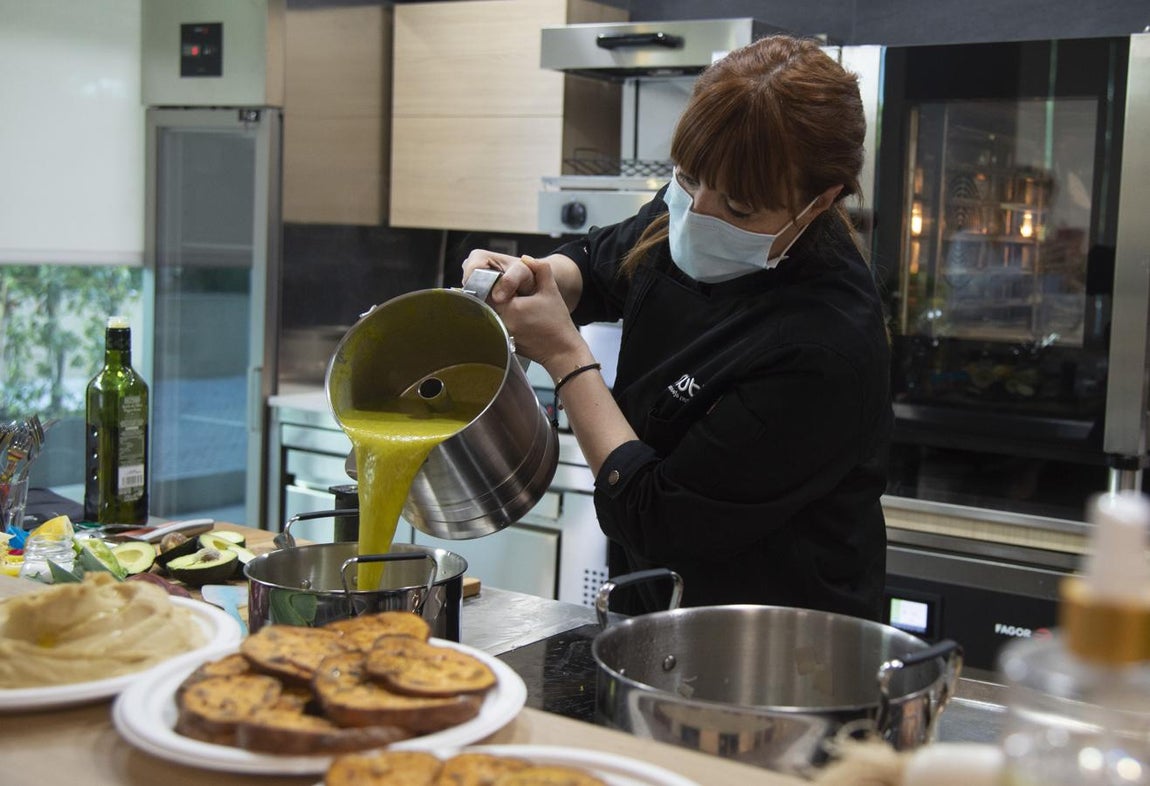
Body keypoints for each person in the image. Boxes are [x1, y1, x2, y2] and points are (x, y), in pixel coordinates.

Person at [463, 35, 892, 620]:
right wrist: (535, 276)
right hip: (653, 618)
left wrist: (566, 357)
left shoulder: (825, 345)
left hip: (775, 652)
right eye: (689, 180)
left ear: (820, 201)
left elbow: (658, 517)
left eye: (739, 209)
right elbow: (600, 263)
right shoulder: (685, 210)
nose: (699, 215)